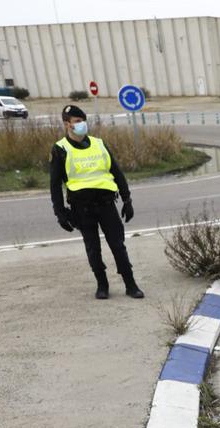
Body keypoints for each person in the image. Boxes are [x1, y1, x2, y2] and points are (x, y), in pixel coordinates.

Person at [50, 104, 143, 299]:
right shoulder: (60, 149)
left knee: (118, 245)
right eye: (76, 121)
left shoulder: (99, 144)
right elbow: (55, 185)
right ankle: (102, 285)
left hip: (106, 204)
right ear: (67, 124)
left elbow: (117, 172)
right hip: (81, 208)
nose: (81, 124)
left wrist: (127, 199)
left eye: (82, 120)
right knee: (93, 248)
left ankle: (130, 284)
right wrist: (60, 213)